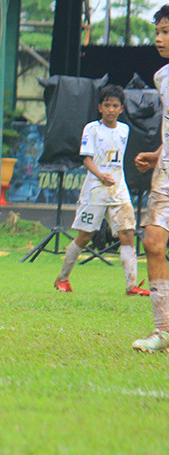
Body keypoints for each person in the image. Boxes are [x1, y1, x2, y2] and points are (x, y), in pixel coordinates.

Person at [54, 84, 148, 296]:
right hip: (95, 189)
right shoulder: (92, 129)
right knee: (85, 236)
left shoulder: (125, 130)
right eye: (107, 105)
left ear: (121, 109)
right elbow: (86, 158)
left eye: (115, 106)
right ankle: (62, 279)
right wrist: (99, 174)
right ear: (100, 107)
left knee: (127, 232)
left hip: (118, 189)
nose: (111, 110)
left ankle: (131, 286)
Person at [133, 5, 169, 352]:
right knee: (152, 243)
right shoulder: (162, 77)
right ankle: (163, 332)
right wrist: (158, 154)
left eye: (166, 32)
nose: (159, 38)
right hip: (166, 176)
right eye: (157, 31)